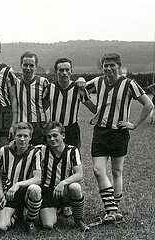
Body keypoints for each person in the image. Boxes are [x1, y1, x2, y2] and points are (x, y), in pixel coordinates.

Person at [85, 53, 153, 223]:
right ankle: (112, 210)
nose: (108, 68)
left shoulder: (129, 83)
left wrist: (134, 124)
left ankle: (113, 209)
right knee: (98, 170)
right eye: (105, 65)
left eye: (112, 65)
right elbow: (81, 92)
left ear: (119, 67)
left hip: (119, 133)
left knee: (116, 171)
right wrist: (97, 110)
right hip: (100, 132)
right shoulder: (97, 82)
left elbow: (149, 104)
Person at [37, 121, 89, 232]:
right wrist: (12, 144)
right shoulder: (42, 149)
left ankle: (78, 219)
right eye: (49, 136)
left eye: (55, 135)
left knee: (75, 187)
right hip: (48, 192)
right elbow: (25, 147)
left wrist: (63, 183)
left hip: (65, 191)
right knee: (48, 225)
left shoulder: (72, 150)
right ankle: (55, 209)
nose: (52, 139)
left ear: (63, 135)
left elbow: (79, 174)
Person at [0, 122, 42, 233]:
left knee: (35, 189)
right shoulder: (4, 151)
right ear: (14, 136)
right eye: (19, 135)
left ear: (30, 137)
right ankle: (16, 215)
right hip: (10, 194)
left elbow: (37, 178)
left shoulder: (35, 152)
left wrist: (18, 184)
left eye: (25, 136)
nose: (22, 139)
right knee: (1, 226)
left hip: (26, 193)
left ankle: (30, 220)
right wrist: (1, 192)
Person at [44, 57, 96, 149]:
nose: (64, 73)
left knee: (73, 157)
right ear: (56, 72)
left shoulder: (78, 88)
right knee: (52, 158)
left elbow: (93, 108)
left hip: (72, 130)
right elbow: (42, 108)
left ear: (71, 71)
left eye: (67, 70)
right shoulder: (49, 88)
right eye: (61, 70)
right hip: (54, 129)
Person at [14, 51, 49, 145]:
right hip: (21, 125)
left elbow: (47, 104)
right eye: (25, 65)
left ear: (35, 66)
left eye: (31, 65)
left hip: (39, 125)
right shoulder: (15, 83)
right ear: (21, 65)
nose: (28, 68)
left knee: (39, 154)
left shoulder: (43, 82)